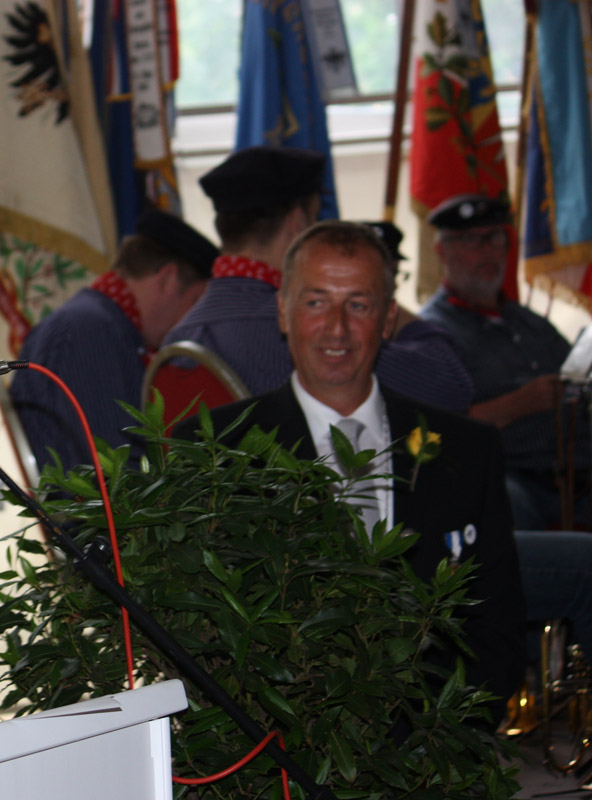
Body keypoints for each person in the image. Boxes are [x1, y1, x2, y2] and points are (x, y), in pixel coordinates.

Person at [185, 220, 526, 722]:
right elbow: (197, 640)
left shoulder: (468, 450)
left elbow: (498, 626)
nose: (337, 328)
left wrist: (440, 742)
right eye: (316, 302)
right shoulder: (213, 452)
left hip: (435, 743)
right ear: (283, 312)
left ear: (388, 319)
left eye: (359, 305)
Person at [162, 145, 474, 412]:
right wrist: (373, 295)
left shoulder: (179, 336)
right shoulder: (301, 333)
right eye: (316, 218)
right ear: (299, 224)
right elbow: (451, 387)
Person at [419, 193, 588, 531]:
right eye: (471, 240)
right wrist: (520, 403)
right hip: (509, 478)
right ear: (442, 251)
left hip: (578, 474)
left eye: (495, 238)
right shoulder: (430, 334)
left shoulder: (532, 323)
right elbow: (433, 430)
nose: (487, 252)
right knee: (503, 504)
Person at [10, 208, 218, 472]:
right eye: (195, 301)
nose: (192, 321)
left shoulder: (97, 324)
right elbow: (116, 471)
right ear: (167, 280)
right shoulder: (91, 333)